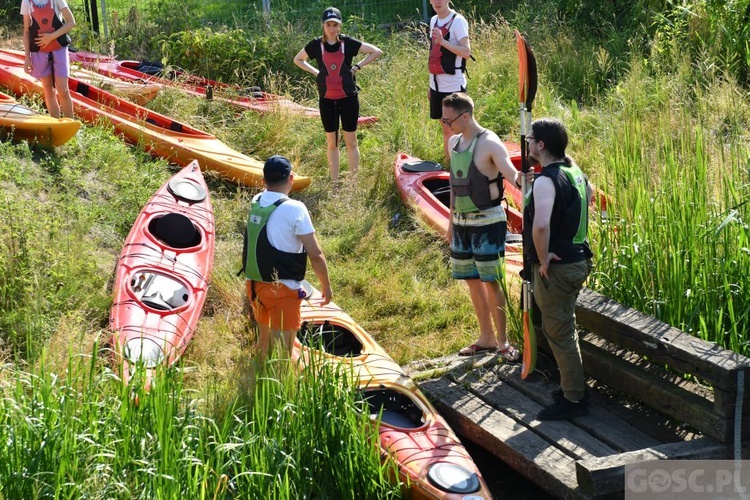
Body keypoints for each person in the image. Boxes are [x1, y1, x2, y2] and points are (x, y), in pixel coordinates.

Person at [522, 118, 594, 420]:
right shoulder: (574, 172)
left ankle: (574, 399)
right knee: (565, 327)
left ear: (541, 145)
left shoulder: (545, 181)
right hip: (579, 258)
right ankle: (571, 385)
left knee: (559, 332)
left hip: (559, 268)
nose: (526, 143)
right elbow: (588, 197)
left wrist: (543, 258)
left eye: (529, 139)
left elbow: (540, 225)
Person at [442, 92, 522, 361]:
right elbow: (455, 183)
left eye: (449, 119)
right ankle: (485, 338)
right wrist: (451, 221)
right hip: (462, 224)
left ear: (465, 116)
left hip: (488, 222)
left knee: (491, 282)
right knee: (472, 281)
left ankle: (503, 342)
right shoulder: (453, 142)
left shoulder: (489, 142)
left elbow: (511, 175)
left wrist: (530, 179)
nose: (446, 124)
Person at [243, 155, 333, 360]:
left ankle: (258, 381)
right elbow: (315, 254)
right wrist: (326, 287)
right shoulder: (295, 209)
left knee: (265, 347)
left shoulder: (256, 200)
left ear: (264, 180)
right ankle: (282, 386)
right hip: (282, 292)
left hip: (255, 286)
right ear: (291, 178)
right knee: (283, 355)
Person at [293, 7, 382, 184]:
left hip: (348, 98)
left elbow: (376, 51)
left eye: (335, 25)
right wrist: (316, 71)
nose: (332, 29)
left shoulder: (347, 43)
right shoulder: (315, 45)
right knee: (332, 143)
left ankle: (353, 182)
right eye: (328, 24)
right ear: (323, 25)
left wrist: (357, 67)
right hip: (327, 100)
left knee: (351, 142)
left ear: (340, 26)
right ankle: (334, 183)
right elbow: (298, 59)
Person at [428, 0, 471, 163]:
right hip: (436, 85)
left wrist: (443, 42)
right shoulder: (434, 20)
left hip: (453, 86)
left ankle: (462, 168)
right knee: (446, 130)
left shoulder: (458, 21)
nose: (437, 2)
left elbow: (466, 51)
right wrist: (430, 85)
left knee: (458, 130)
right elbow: (435, 54)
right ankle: (450, 166)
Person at [21, 0, 76, 119]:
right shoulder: (26, 2)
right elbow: (26, 30)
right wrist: (27, 58)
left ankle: (71, 127)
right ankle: (55, 126)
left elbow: (71, 22)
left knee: (63, 90)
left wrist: (51, 37)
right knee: (48, 90)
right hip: (38, 51)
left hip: (59, 48)